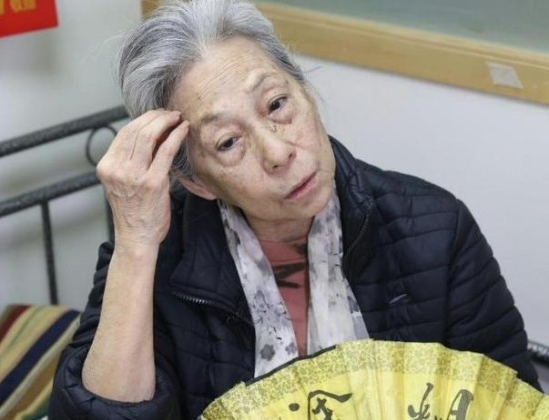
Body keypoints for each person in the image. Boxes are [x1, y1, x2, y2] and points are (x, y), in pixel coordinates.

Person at [49, 0, 540, 418]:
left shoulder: (436, 230)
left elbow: (509, 402)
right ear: (196, 181)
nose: (278, 151)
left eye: (276, 104)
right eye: (228, 142)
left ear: (304, 89)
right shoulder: (156, 257)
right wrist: (136, 246)